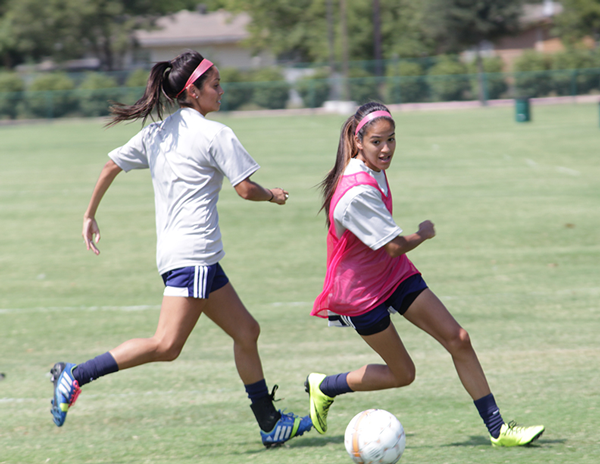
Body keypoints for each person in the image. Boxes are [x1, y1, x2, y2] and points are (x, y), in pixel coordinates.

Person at [49, 50, 312, 447]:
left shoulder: (158, 132)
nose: (222, 91)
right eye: (216, 84)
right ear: (193, 91)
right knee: (166, 345)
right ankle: (76, 375)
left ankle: (269, 423)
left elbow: (109, 166)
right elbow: (244, 189)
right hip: (195, 256)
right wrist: (272, 194)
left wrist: (89, 214)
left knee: (246, 330)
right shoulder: (215, 133)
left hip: (183, 255)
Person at [305, 101, 544, 447]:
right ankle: (325, 387)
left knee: (458, 338)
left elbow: (389, 254)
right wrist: (424, 233)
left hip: (393, 274)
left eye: (391, 139)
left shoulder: (374, 167)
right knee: (404, 374)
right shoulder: (355, 191)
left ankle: (499, 430)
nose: (386, 148)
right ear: (359, 142)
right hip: (361, 292)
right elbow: (394, 245)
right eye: (377, 141)